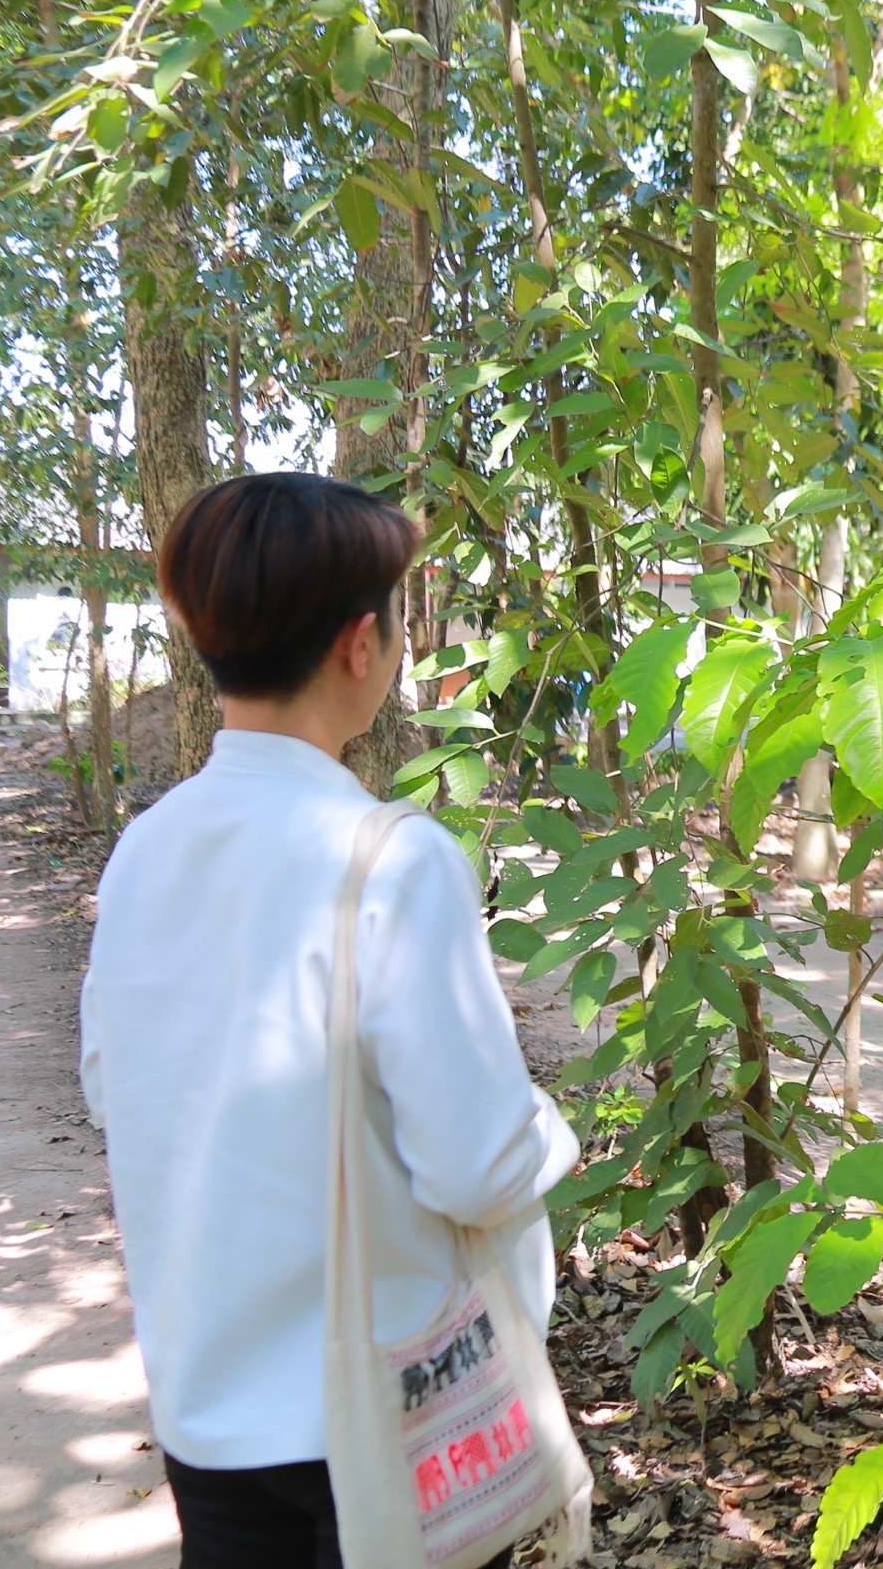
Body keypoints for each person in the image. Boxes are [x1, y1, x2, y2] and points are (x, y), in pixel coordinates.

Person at [80, 473, 578, 1568]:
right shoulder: (395, 860)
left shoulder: (144, 854)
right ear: (364, 644)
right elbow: (480, 1165)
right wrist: (550, 1128)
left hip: (206, 1412)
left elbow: (115, 1087)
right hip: (390, 1428)